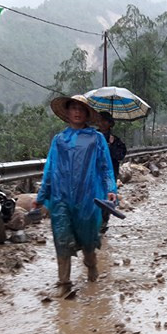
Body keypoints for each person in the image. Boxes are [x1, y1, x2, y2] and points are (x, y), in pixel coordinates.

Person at [33, 95, 117, 294]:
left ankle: (91, 265)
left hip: (88, 198)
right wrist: (41, 197)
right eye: (73, 108)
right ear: (67, 112)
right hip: (61, 198)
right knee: (61, 238)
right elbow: (50, 169)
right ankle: (64, 284)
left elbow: (106, 167)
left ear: (87, 113)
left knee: (88, 240)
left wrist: (111, 190)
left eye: (81, 108)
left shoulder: (96, 139)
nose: (77, 112)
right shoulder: (59, 140)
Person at [97, 111, 127, 183]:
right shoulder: (92, 137)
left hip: (110, 174)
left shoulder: (116, 140)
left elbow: (120, 156)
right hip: (95, 174)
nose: (102, 123)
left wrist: (112, 146)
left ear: (110, 123)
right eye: (100, 120)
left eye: (105, 120)